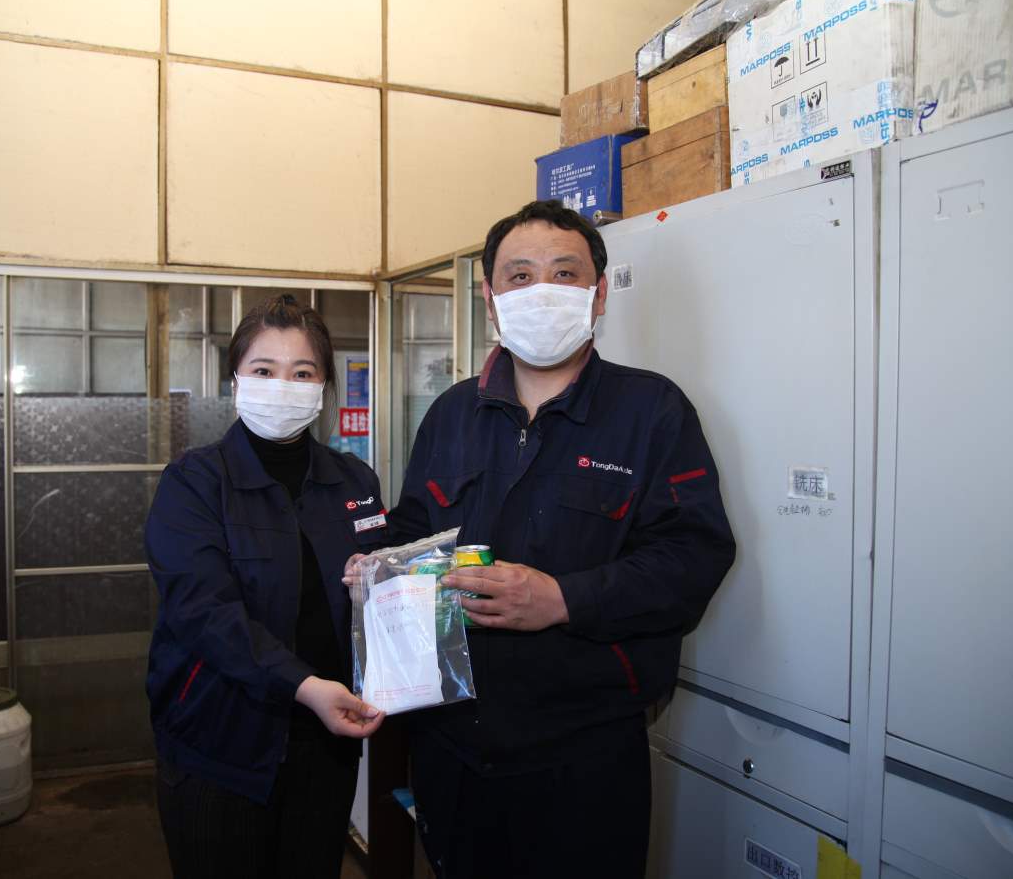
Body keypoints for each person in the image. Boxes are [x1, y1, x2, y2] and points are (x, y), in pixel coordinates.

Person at [366, 200, 736, 878]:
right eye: (520, 276)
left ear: (599, 294)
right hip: (453, 744)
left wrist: (564, 599)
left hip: (586, 752)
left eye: (565, 274)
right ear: (490, 298)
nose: (542, 291)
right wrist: (380, 570)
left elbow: (694, 556)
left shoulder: (652, 411)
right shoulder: (451, 413)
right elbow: (414, 532)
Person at [145, 294, 387, 879]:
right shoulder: (194, 483)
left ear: (324, 385)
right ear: (235, 380)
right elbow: (203, 611)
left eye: (302, 373)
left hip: (326, 744)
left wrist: (376, 581)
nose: (283, 386)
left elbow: (382, 585)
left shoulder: (353, 481)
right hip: (220, 745)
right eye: (263, 370)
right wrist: (304, 686)